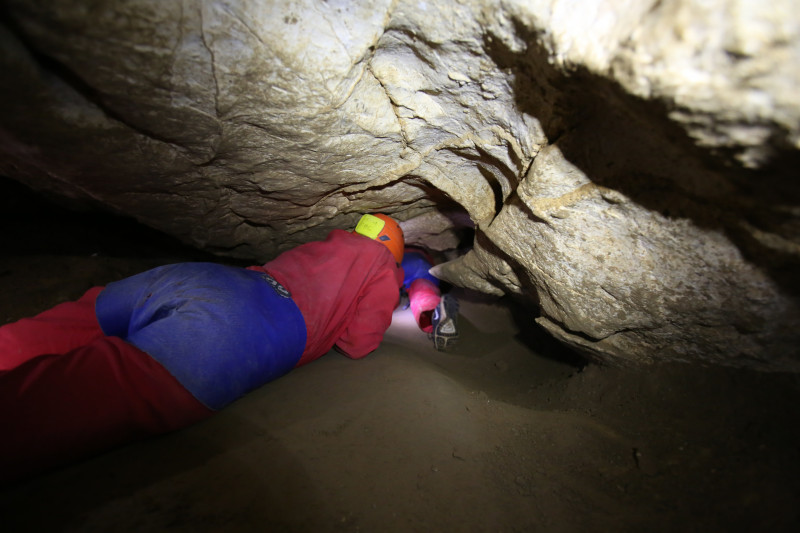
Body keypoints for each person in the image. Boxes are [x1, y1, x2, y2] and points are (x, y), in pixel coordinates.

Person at [0, 213, 405, 485]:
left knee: (69, 325)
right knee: (84, 393)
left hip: (206, 278)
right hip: (242, 323)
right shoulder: (382, 265)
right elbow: (358, 342)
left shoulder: (325, 243)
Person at [400, 247, 459, 351]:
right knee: (424, 293)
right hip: (424, 267)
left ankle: (434, 319)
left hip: (400, 262)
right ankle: (436, 314)